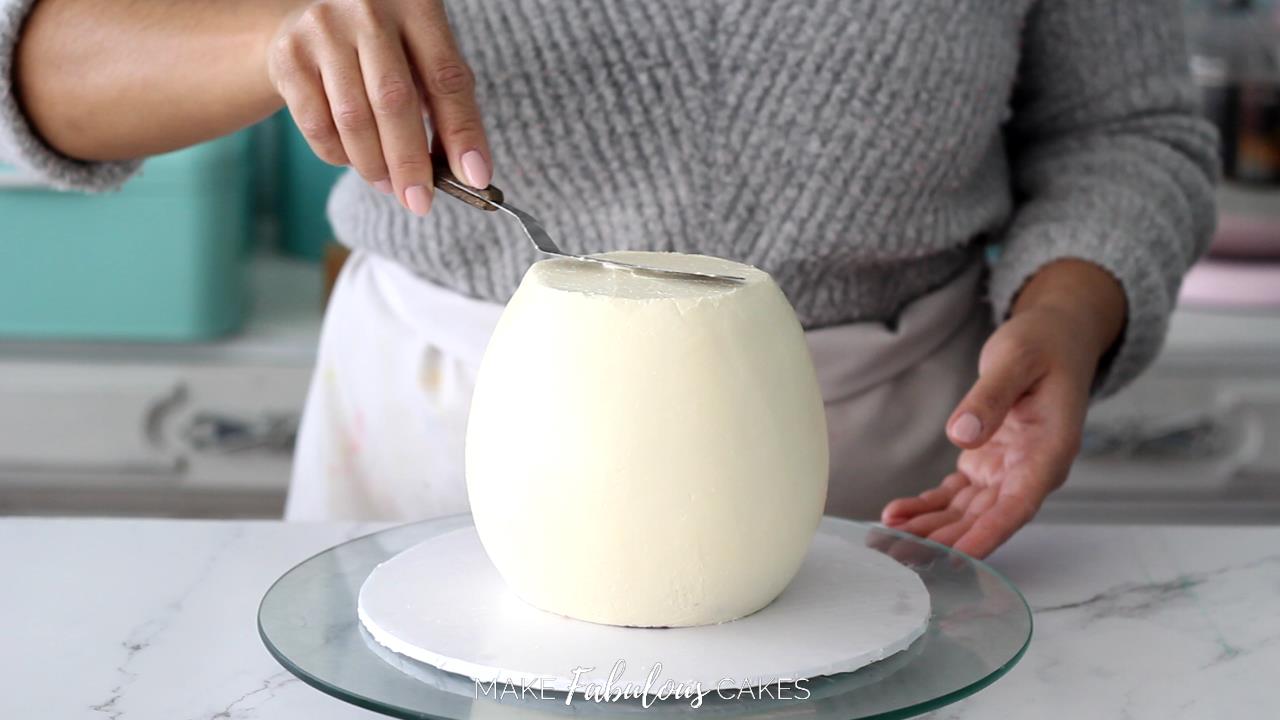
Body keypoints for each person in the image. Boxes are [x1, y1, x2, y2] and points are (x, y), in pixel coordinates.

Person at [1, 0, 1217, 557]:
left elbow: (1126, 129)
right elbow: (36, 69)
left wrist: (1067, 307)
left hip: (885, 464)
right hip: (436, 439)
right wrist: (262, 35)